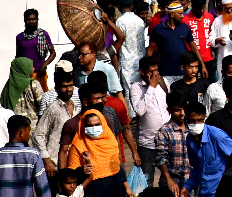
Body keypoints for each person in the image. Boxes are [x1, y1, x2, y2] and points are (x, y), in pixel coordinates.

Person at [129, 56, 170, 188]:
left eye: (156, 70)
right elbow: (140, 110)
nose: (155, 74)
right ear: (142, 72)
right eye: (151, 71)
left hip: (166, 141)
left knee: (167, 179)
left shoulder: (164, 83)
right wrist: (151, 87)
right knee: (147, 181)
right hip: (147, 143)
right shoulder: (136, 88)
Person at [183, 102, 232, 197]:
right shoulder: (190, 139)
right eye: (192, 121)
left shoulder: (217, 135)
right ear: (186, 120)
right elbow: (197, 168)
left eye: (200, 120)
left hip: (221, 192)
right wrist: (187, 186)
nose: (196, 124)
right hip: (204, 192)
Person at [32, 67, 78, 178]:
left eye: (70, 86)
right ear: (57, 89)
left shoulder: (76, 107)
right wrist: (47, 160)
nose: (68, 89)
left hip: (74, 163)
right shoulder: (53, 108)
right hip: (55, 165)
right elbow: (37, 134)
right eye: (64, 86)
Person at [65, 109, 125, 197]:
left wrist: (126, 187)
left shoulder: (111, 141)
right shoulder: (78, 145)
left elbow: (117, 165)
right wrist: (81, 170)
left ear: (103, 124)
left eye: (97, 124)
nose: (94, 128)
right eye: (89, 125)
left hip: (115, 186)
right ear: (83, 127)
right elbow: (71, 171)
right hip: (93, 189)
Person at [148, 3, 207, 85]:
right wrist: (149, 69)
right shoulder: (158, 29)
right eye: (180, 14)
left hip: (183, 73)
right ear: (172, 14)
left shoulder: (185, 28)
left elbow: (194, 47)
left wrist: (203, 65)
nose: (183, 16)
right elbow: (150, 50)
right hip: (165, 73)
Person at [0, 115, 51, 197]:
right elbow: (42, 187)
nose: (30, 134)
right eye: (29, 130)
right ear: (22, 132)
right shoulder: (33, 155)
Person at [115, 0, 147, 117]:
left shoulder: (120, 21)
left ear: (119, 7)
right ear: (132, 6)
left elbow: (117, 40)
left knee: (129, 91)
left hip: (127, 61)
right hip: (140, 58)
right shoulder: (139, 20)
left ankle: (133, 116)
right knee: (141, 88)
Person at [155, 92, 190, 195]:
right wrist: (169, 180)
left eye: (184, 109)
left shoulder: (193, 129)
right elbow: (161, 159)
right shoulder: (164, 131)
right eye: (177, 110)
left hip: (190, 184)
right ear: (169, 110)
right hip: (171, 185)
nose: (182, 113)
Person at [17, 8, 56, 93]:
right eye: (28, 19)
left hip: (40, 73)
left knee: (42, 98)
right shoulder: (19, 37)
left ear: (37, 20)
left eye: (33, 19)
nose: (31, 22)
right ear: (24, 20)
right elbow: (18, 57)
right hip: (26, 75)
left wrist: (45, 64)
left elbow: (53, 53)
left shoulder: (43, 35)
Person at [183, 0, 216, 84]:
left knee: (211, 85)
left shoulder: (210, 17)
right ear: (192, 6)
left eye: (203, 8)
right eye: (199, 8)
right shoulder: (185, 20)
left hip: (209, 58)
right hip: (193, 61)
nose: (202, 10)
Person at [2, 57, 44, 129]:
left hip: (14, 131)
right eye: (31, 66)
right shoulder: (33, 84)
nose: (34, 69)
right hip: (32, 129)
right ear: (24, 68)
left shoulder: (8, 88)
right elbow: (43, 105)